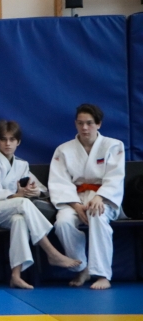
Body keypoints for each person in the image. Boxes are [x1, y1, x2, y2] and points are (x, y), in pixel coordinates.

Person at [0, 121, 81, 289]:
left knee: (19, 219)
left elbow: (42, 189)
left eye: (12, 140)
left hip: (4, 212)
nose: (8, 144)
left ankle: (16, 275)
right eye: (4, 139)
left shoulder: (21, 164)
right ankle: (51, 252)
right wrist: (18, 195)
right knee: (22, 203)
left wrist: (36, 192)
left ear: (18, 142)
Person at [49, 104, 125, 290]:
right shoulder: (63, 150)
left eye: (89, 123)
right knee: (63, 223)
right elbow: (59, 181)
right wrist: (75, 205)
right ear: (75, 124)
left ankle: (102, 274)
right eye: (80, 123)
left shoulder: (113, 145)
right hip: (74, 198)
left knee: (97, 215)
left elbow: (115, 177)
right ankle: (82, 267)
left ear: (98, 124)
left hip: (103, 197)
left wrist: (100, 197)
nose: (84, 128)